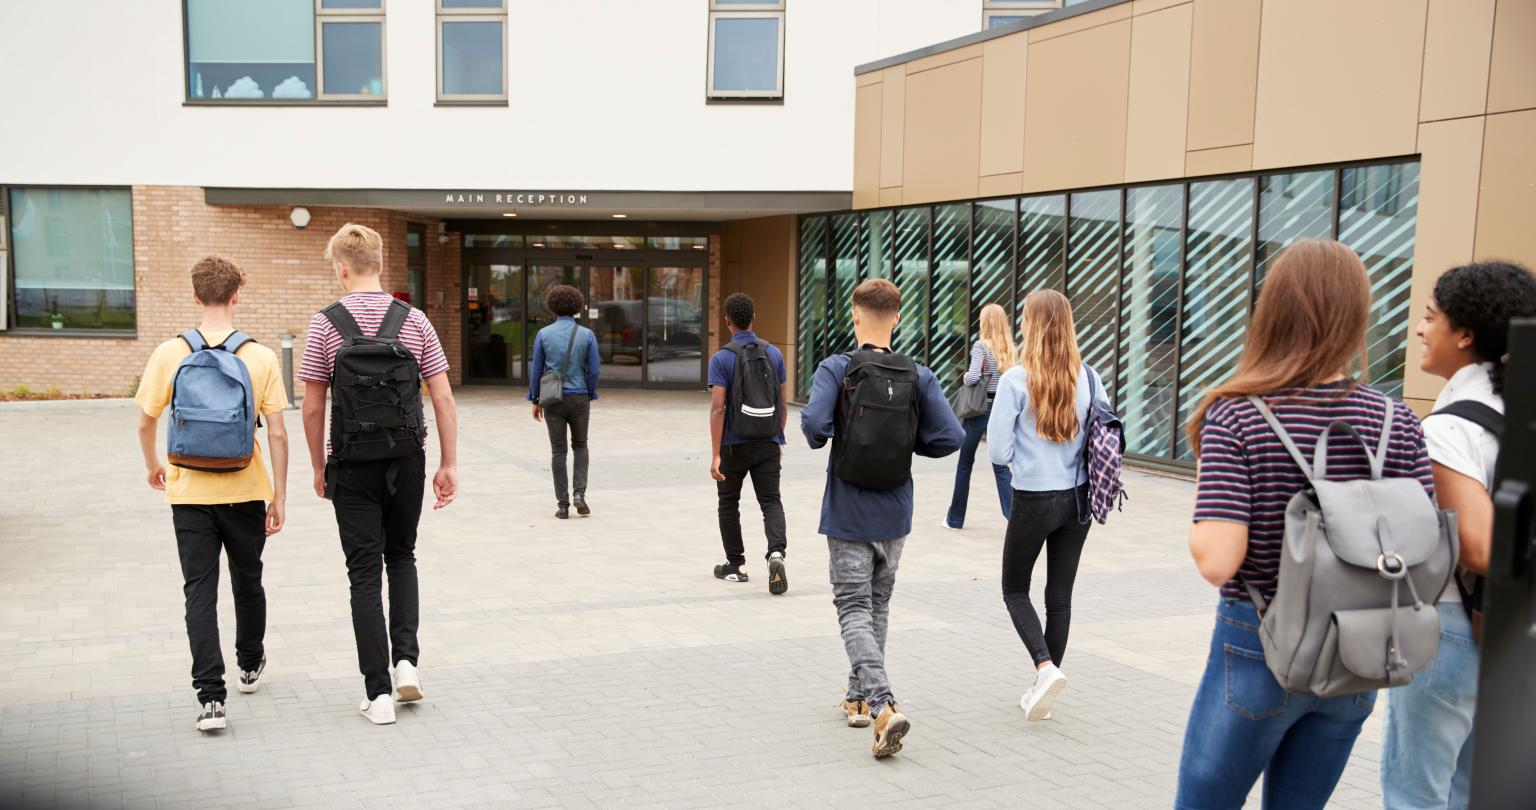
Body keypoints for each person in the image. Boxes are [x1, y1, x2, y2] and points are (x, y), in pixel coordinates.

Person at [1175, 239, 1434, 809]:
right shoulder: (1398, 420)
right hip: (1362, 648)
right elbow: (1428, 551)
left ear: (1273, 309)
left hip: (1261, 639)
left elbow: (1217, 559)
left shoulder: (1238, 413)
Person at [1380, 260, 1536, 810]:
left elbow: (1476, 545)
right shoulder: (1517, 412)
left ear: (1465, 335)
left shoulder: (1449, 428)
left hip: (1451, 624)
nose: (1421, 330)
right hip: (1510, 632)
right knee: (1472, 791)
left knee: (1415, 794)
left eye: (1430, 318)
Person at [300, 223, 458, 726]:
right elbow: (443, 398)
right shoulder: (414, 321)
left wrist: (317, 465)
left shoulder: (325, 324)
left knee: (364, 572)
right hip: (407, 458)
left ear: (340, 268)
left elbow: (310, 406)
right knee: (402, 555)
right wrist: (447, 463)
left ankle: (378, 694)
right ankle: (406, 661)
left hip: (351, 462)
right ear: (382, 264)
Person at [801, 278, 964, 758]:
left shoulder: (838, 367)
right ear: (897, 317)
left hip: (848, 509)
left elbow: (813, 425)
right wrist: (906, 443)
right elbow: (951, 437)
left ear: (854, 314)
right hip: (895, 511)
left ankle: (883, 704)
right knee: (877, 606)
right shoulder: (920, 375)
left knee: (852, 608)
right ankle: (856, 699)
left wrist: (834, 437)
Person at [134, 255, 289, 733]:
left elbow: (145, 421)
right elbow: (279, 434)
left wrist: (154, 467)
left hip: (189, 492)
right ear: (237, 294)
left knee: (199, 592)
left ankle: (211, 700)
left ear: (196, 296)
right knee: (248, 581)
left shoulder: (168, 353)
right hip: (245, 490)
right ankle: (249, 664)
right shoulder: (259, 357)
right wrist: (278, 496)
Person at [986, 290, 1108, 721]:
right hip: (1079, 500)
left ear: (1031, 326)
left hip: (1034, 498)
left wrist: (1029, 455)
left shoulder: (1016, 380)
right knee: (1060, 597)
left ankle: (1044, 668)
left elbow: (998, 452)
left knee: (1014, 588)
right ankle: (1045, 687)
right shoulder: (1091, 378)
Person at [708, 292, 790, 593]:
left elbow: (718, 407)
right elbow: (782, 401)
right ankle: (776, 553)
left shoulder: (722, 358)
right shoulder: (775, 354)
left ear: (727, 321)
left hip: (733, 443)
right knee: (771, 500)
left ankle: (736, 565)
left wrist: (715, 454)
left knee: (729, 502)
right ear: (754, 318)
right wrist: (777, 438)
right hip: (767, 441)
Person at [528, 284, 601, 520]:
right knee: (580, 446)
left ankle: (562, 504)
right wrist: (590, 392)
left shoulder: (543, 334)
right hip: (579, 396)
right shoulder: (587, 335)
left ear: (553, 306)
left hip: (553, 398)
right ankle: (580, 494)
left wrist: (535, 399)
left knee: (558, 451)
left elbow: (536, 369)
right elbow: (594, 370)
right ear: (576, 306)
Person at [944, 303, 1015, 530]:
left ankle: (955, 519)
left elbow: (973, 377)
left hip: (978, 411)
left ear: (985, 322)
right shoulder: (1010, 348)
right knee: (1000, 464)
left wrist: (965, 376)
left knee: (965, 463)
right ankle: (1014, 517)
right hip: (1000, 409)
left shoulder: (981, 346)